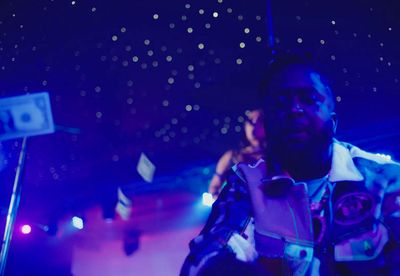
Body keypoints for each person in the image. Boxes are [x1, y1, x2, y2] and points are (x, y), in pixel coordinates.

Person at [181, 54, 400, 275]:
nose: (295, 109)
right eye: (281, 102)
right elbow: (204, 261)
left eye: (309, 98)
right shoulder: (248, 184)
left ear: (333, 122)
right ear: (267, 125)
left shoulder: (385, 177)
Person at [208, 110, 266, 199]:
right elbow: (214, 188)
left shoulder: (277, 157)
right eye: (250, 121)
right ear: (245, 126)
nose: (253, 125)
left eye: (259, 120)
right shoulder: (231, 157)